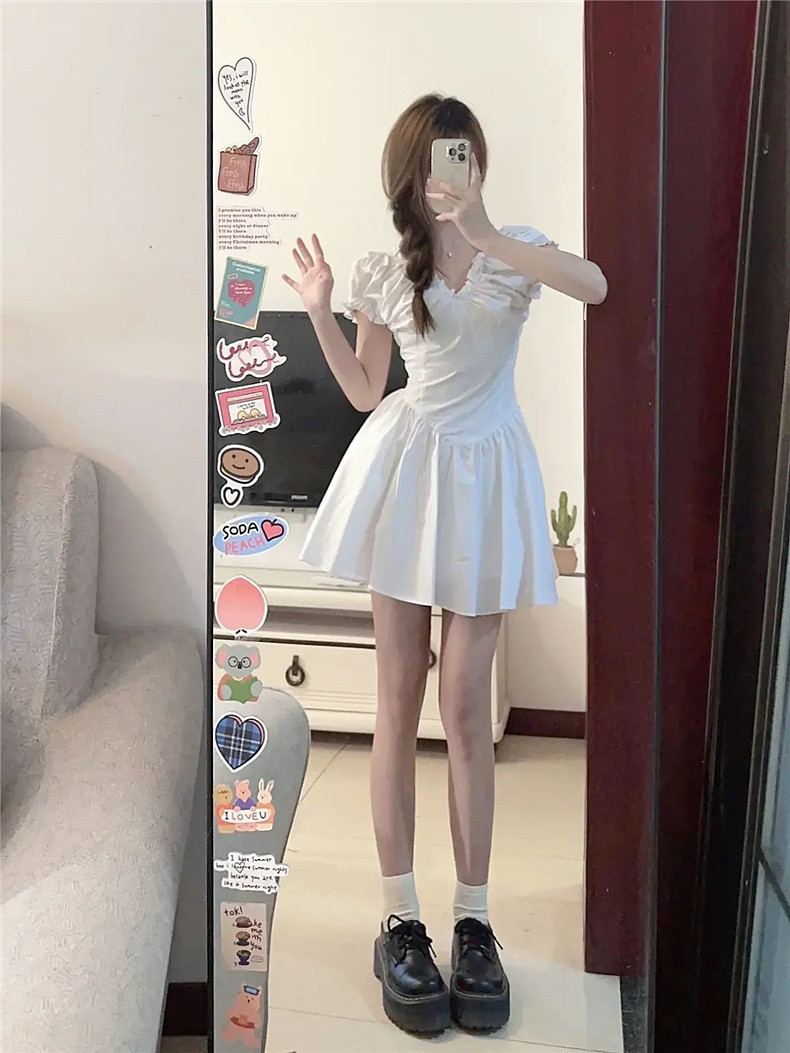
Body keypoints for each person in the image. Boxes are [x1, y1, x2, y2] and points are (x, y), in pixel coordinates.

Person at [282, 94, 607, 1036]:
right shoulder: (388, 269)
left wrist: (489, 232)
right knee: (396, 699)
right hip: (410, 474)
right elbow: (363, 388)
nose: (451, 172)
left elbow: (594, 285)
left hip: (489, 477)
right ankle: (400, 918)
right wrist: (320, 312)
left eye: (463, 155)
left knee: (465, 702)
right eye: (436, 158)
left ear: (477, 163)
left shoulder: (516, 252)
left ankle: (473, 921)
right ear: (410, 172)